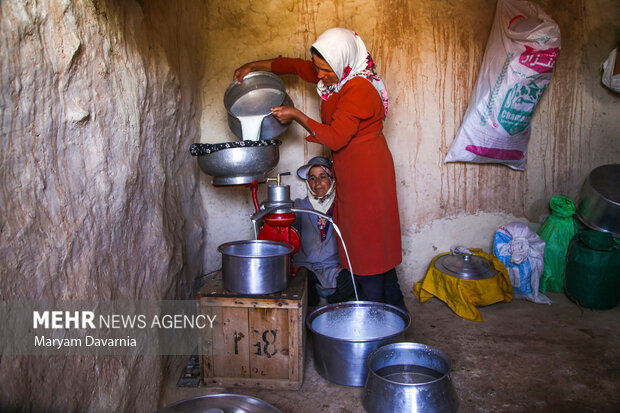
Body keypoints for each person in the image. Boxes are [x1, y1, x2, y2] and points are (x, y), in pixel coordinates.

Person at [234, 28, 407, 313]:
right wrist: (254, 66)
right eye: (318, 68)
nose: (320, 75)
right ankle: (395, 309)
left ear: (343, 63)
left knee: (369, 246)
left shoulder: (359, 90)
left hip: (368, 173)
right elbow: (294, 66)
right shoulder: (337, 75)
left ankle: (376, 317)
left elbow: (335, 138)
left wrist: (296, 115)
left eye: (325, 70)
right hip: (349, 171)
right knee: (363, 244)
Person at [292, 156, 355, 306]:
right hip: (305, 268)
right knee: (306, 294)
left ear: (332, 178)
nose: (317, 183)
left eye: (322, 177)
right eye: (312, 178)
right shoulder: (298, 206)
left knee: (349, 285)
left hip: (334, 268)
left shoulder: (343, 206)